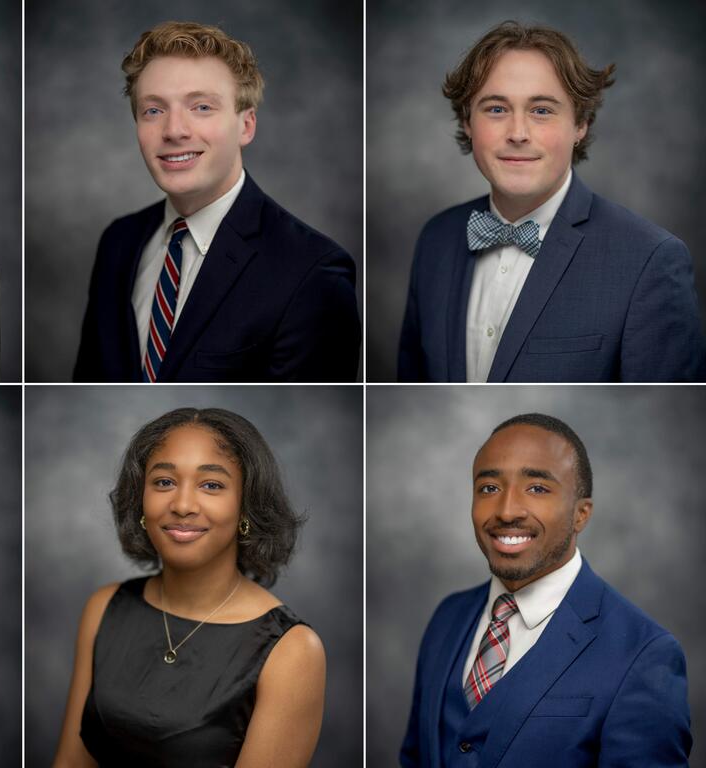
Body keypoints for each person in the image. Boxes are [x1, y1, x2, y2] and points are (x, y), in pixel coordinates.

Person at [397, 21, 705, 382]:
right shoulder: (436, 239)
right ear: (467, 122)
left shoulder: (650, 260)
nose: (517, 133)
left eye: (541, 110)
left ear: (581, 125)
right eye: (496, 109)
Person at [74, 21, 360, 383]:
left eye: (202, 107)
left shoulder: (312, 274)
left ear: (246, 125)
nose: (174, 130)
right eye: (154, 110)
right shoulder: (118, 241)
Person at [400, 413, 691, 766]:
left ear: (580, 514)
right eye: (489, 488)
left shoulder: (644, 654)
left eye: (537, 488)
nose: (507, 511)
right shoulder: (448, 617)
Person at [53, 408, 326, 765]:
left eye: (211, 485)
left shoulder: (292, 651)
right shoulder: (104, 608)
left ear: (246, 506)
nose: (182, 505)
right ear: (140, 500)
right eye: (164, 482)